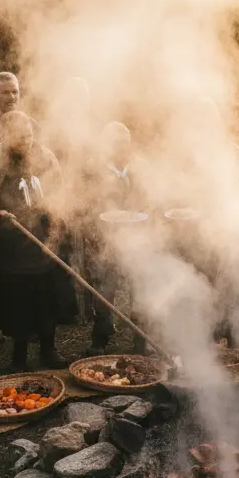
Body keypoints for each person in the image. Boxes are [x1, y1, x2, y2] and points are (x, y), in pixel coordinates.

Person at [0, 111, 67, 370]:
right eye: (20, 136)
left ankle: (49, 349)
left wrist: (55, 223)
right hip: (12, 243)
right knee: (19, 302)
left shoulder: (45, 157)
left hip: (42, 239)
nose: (26, 141)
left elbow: (58, 192)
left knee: (47, 296)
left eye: (29, 135)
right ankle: (19, 356)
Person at [79, 121, 150, 356]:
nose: (121, 149)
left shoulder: (141, 167)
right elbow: (83, 202)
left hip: (137, 238)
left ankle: (141, 341)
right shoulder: (93, 169)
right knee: (104, 290)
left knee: (140, 290)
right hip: (104, 239)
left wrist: (141, 209)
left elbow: (152, 199)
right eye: (115, 144)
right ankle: (100, 338)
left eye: (125, 143)